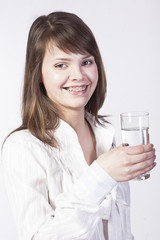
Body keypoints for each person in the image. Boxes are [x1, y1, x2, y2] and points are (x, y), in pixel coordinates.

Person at [1, 11, 156, 240]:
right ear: (39, 74)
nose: (78, 75)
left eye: (86, 62)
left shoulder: (108, 138)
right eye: (61, 65)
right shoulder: (23, 147)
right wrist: (101, 175)